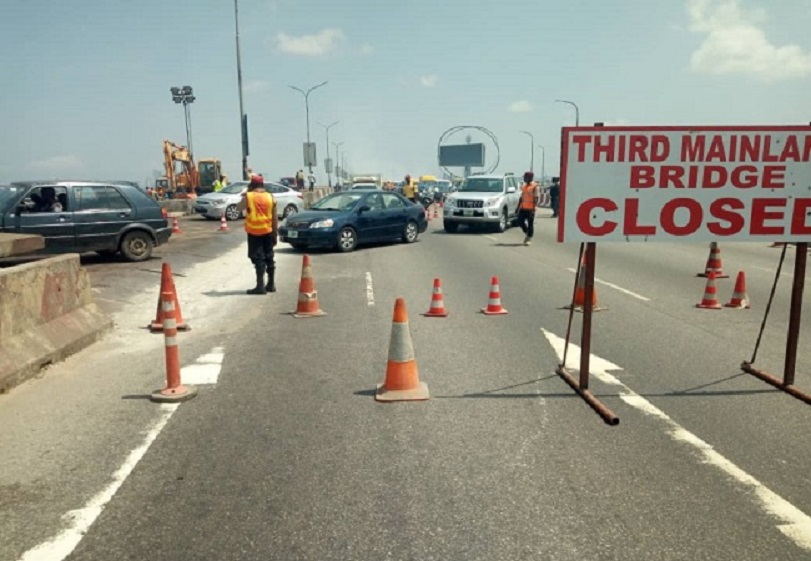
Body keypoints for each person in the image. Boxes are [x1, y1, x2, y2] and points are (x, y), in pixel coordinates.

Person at [237, 175, 278, 295]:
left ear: (252, 185)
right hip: (268, 230)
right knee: (269, 256)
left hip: (254, 232)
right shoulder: (270, 197)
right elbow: (274, 217)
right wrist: (274, 234)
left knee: (257, 257)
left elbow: (239, 208)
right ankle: (271, 284)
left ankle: (260, 286)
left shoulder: (249, 196)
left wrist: (246, 194)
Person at [515, 171, 539, 246]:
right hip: (523, 208)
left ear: (530, 178)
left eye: (526, 177)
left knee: (530, 224)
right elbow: (521, 198)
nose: (524, 179)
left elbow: (536, 198)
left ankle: (529, 238)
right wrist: (517, 208)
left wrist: (533, 209)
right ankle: (527, 232)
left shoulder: (535, 186)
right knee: (519, 221)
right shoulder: (524, 186)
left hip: (530, 209)